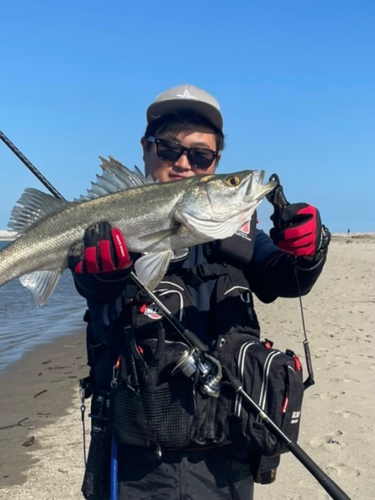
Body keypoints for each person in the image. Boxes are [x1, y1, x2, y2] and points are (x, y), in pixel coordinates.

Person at [72, 84, 330, 500]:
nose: (183, 164)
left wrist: (308, 250)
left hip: (226, 459)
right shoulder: (107, 233)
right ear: (145, 149)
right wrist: (99, 284)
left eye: (200, 155)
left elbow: (286, 278)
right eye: (169, 150)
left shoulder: (241, 239)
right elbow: (105, 324)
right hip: (136, 462)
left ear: (214, 164)